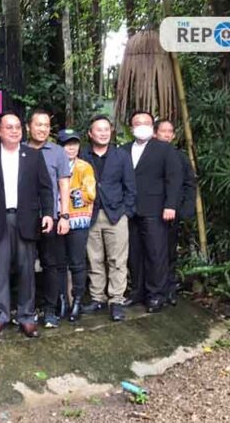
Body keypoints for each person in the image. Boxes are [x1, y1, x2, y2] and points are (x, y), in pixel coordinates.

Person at [0, 112, 54, 338]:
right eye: (8, 127)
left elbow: (46, 188)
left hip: (27, 220)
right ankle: (1, 316)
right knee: (0, 271)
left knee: (27, 271)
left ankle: (26, 317)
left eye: (17, 127)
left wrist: (48, 214)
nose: (14, 131)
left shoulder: (33, 156)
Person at [122, 111, 182, 313]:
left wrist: (170, 205)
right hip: (131, 210)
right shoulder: (123, 150)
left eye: (146, 123)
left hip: (156, 209)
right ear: (131, 127)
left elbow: (174, 178)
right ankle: (137, 292)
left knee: (156, 253)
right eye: (137, 123)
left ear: (152, 127)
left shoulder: (164, 149)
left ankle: (156, 295)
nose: (141, 126)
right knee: (134, 254)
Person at [80, 115, 136, 322]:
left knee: (117, 260)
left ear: (111, 132)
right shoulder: (82, 155)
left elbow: (130, 186)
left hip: (116, 214)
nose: (103, 133)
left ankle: (116, 300)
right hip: (90, 214)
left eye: (106, 129)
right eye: (98, 129)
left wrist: (126, 211)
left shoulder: (121, 156)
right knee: (94, 259)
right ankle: (97, 298)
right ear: (90, 133)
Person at [25, 109, 71, 327]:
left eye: (46, 125)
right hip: (24, 218)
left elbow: (64, 184)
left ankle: (50, 310)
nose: (42, 129)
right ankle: (26, 309)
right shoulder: (19, 150)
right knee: (24, 265)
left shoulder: (58, 152)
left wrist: (64, 216)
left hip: (51, 217)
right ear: (28, 127)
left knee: (51, 264)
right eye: (38, 124)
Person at [154, 119, 197, 305]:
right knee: (152, 252)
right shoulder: (147, 155)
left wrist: (184, 210)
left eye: (170, 131)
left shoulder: (180, 157)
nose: (167, 134)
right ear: (155, 133)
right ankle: (152, 290)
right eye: (163, 131)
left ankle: (169, 289)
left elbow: (190, 184)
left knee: (170, 252)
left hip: (172, 213)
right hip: (150, 212)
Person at [56, 129, 96, 322]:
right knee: (59, 262)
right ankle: (62, 300)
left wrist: (71, 192)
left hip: (78, 220)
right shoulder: (54, 163)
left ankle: (77, 301)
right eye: (66, 144)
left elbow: (90, 193)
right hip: (57, 219)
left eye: (74, 144)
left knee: (77, 262)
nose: (71, 148)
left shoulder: (84, 167)